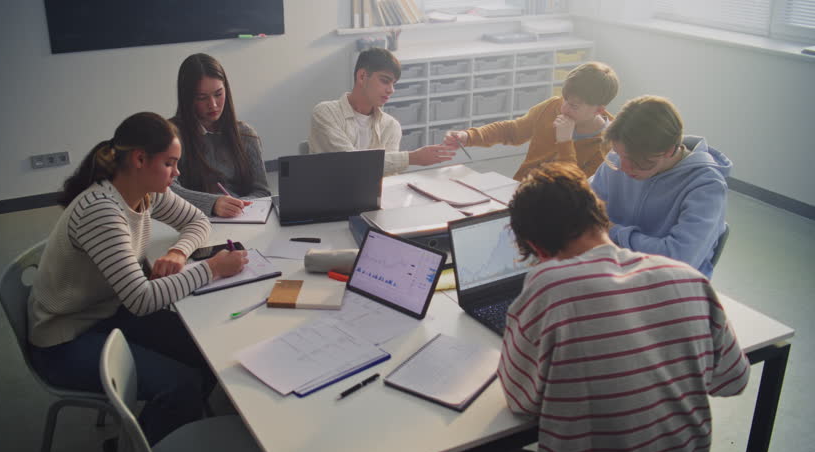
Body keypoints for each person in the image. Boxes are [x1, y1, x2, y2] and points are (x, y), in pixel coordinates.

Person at [497, 162, 750, 452]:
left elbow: (522, 403)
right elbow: (733, 380)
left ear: (536, 247)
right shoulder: (689, 278)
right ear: (600, 217)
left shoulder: (549, 286)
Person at [27, 112, 249, 445]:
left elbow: (198, 221)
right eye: (170, 164)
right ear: (140, 159)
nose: (176, 174)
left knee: (204, 351)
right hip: (64, 339)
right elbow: (141, 299)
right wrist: (212, 268)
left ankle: (157, 432)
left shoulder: (146, 190)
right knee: (181, 383)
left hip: (104, 312)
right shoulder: (102, 211)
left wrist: (178, 253)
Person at [590, 95, 731, 278]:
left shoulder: (706, 187)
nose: (623, 168)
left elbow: (678, 261)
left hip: (667, 284)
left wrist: (613, 231)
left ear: (670, 151)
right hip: (615, 268)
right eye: (619, 154)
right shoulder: (618, 159)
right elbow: (581, 206)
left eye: (635, 161)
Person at [444, 61, 619, 181]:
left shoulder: (609, 147)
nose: (563, 108)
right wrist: (468, 136)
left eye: (573, 106)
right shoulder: (552, 106)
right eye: (564, 99)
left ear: (599, 110)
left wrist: (565, 142)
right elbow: (513, 130)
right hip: (522, 191)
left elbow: (575, 190)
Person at [309, 47, 454, 176]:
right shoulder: (325, 112)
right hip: (330, 202)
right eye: (385, 80)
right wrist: (413, 158)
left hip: (373, 201)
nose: (391, 90)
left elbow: (387, 177)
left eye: (393, 84)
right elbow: (350, 163)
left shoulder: (391, 126)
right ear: (362, 76)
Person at [170, 53, 271, 218]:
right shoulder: (172, 136)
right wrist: (212, 203)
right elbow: (165, 192)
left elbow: (262, 191)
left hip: (240, 220)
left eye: (218, 94)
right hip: (194, 223)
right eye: (202, 98)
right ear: (187, 98)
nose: (213, 105)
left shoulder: (245, 134)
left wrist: (238, 205)